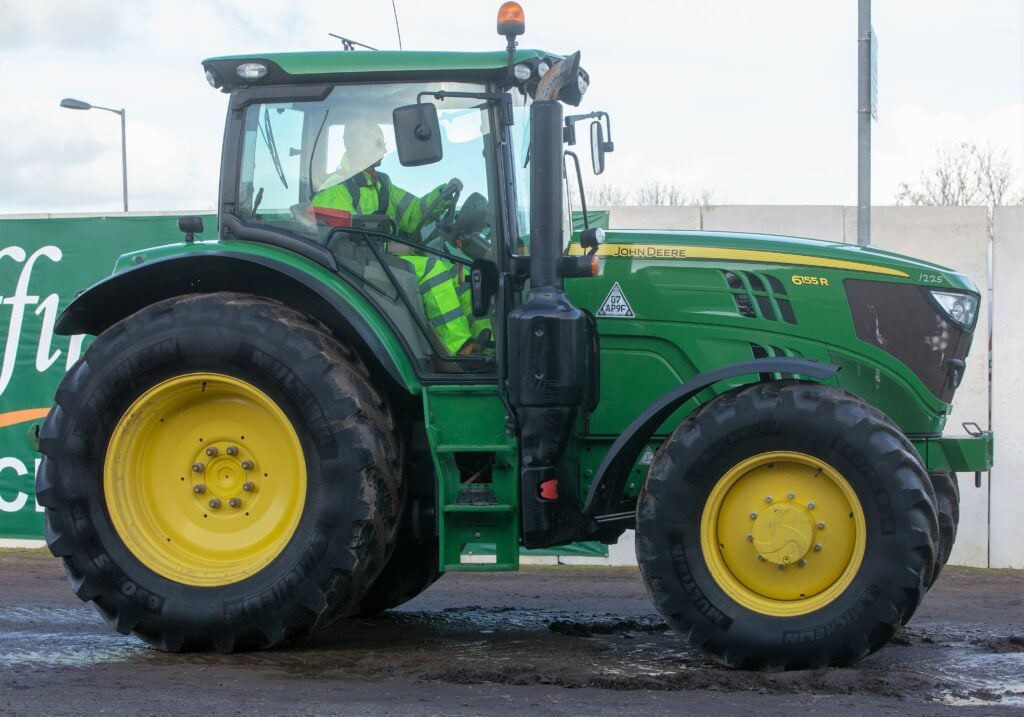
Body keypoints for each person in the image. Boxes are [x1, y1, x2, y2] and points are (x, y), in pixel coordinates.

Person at [313, 120, 491, 357]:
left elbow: (413, 212)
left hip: (383, 257)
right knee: (432, 269)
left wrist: (442, 196)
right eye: (378, 142)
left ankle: (488, 345)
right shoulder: (333, 191)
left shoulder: (381, 184)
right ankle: (460, 350)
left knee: (460, 272)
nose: (384, 149)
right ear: (356, 143)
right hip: (359, 265)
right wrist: (390, 245)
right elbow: (342, 243)